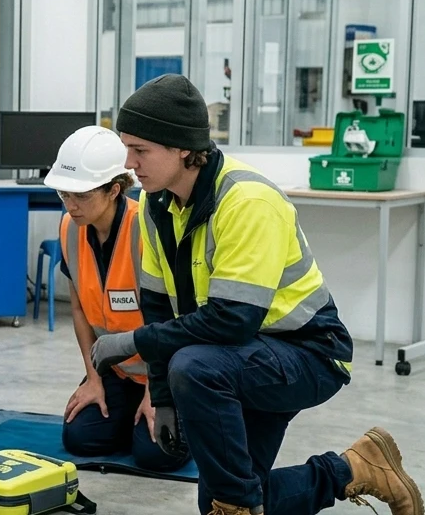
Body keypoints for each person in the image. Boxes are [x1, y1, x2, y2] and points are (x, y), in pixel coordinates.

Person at [91, 73, 423, 515]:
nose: (129, 162)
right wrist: (163, 398)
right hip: (240, 358)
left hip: (308, 353)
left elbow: (231, 320)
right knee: (227, 501)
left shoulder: (247, 201)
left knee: (194, 367)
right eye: (127, 147)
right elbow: (156, 306)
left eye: (140, 149)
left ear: (183, 148)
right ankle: (355, 469)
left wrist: (130, 343)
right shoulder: (156, 205)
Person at [45, 125, 189, 473]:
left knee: (158, 455)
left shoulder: (148, 229)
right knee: (80, 438)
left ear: (114, 190)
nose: (71, 205)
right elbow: (78, 308)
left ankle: (189, 416)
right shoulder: (69, 228)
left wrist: (157, 395)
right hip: (117, 369)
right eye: (65, 195)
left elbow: (172, 320)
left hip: (164, 373)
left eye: (81, 195)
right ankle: (131, 419)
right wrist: (93, 378)